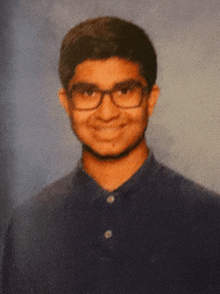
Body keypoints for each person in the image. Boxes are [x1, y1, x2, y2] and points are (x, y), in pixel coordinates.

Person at [2, 16, 220, 294]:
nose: (107, 113)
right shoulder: (30, 223)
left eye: (125, 90)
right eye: (88, 92)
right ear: (66, 103)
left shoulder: (209, 218)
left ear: (150, 100)